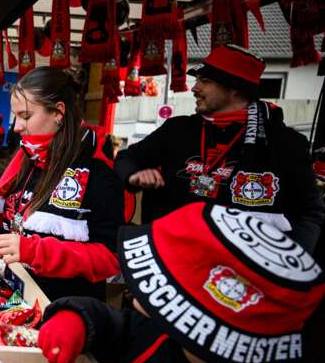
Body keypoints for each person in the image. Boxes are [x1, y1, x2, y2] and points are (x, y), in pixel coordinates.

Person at [36, 203, 325, 363]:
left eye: (158, 293)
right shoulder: (164, 333)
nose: (134, 296)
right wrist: (80, 319)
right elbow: (123, 327)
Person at [114, 44, 324, 252]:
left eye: (205, 82)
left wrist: (292, 265)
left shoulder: (283, 143)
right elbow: (125, 159)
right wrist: (134, 175)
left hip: (241, 270)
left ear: (234, 89)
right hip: (174, 259)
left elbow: (310, 212)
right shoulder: (177, 129)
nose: (195, 88)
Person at [0, 67, 124, 302]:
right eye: (16, 117)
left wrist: (36, 251)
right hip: (19, 296)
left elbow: (111, 258)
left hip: (63, 312)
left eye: (26, 116)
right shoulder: (30, 157)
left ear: (58, 113)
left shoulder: (96, 170)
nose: (17, 127)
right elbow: (17, 198)